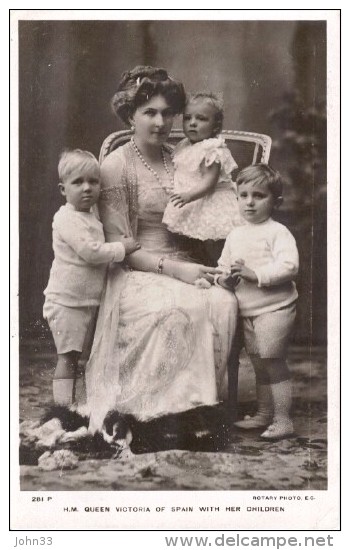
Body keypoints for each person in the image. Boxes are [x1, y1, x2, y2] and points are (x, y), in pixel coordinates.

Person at [85, 66, 238, 434]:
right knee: (179, 308)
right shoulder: (116, 165)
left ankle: (203, 408)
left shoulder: (184, 156)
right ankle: (164, 413)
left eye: (169, 113)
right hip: (138, 269)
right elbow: (121, 247)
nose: (161, 121)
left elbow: (210, 212)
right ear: (130, 116)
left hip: (191, 261)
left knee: (223, 302)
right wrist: (176, 270)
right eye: (149, 112)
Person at [43, 149, 140, 406]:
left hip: (88, 301)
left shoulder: (91, 217)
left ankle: (82, 405)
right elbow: (91, 252)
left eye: (93, 182)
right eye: (78, 182)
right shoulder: (66, 218)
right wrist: (123, 249)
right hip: (67, 302)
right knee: (68, 357)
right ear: (63, 189)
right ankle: (63, 408)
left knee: (88, 355)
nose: (87, 188)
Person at [216, 164, 299, 440]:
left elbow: (290, 266)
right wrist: (224, 280)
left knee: (273, 361)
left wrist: (256, 274)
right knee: (259, 363)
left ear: (275, 202)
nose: (249, 202)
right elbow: (222, 267)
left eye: (259, 196)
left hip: (275, 307)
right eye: (244, 195)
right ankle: (265, 415)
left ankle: (284, 419)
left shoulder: (277, 232)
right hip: (248, 311)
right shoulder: (235, 234)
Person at [162, 92, 242, 266]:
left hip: (209, 199)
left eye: (201, 119)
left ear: (215, 126)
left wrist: (188, 196)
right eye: (187, 118)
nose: (192, 123)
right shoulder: (184, 145)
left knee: (213, 240)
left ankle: (221, 270)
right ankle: (201, 267)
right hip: (193, 199)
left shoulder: (211, 148)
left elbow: (209, 181)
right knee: (193, 243)